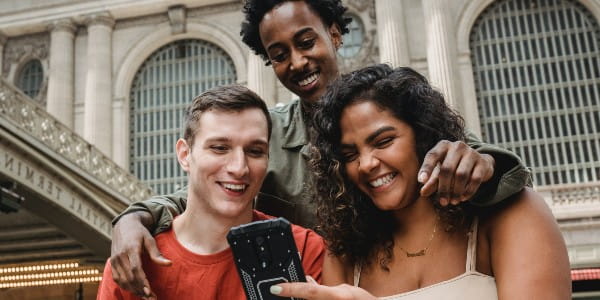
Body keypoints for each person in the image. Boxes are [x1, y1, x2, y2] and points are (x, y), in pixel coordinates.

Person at [110, 0, 532, 297]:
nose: (296, 62)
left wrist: (482, 166)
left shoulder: (398, 107)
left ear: (333, 33)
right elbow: (206, 194)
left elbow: (486, 165)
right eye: (279, 55)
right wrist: (135, 217)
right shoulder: (266, 137)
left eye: (305, 41)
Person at [270, 65, 571, 299]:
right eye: (350, 154)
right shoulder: (346, 252)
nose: (367, 164)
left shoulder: (512, 215)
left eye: (384, 141)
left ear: (423, 134)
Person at [97, 85, 324, 299]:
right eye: (219, 148)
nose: (239, 167)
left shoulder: (304, 250)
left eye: (255, 151)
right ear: (185, 155)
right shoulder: (132, 265)